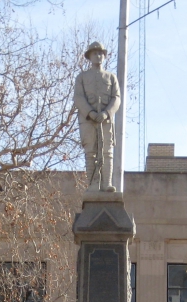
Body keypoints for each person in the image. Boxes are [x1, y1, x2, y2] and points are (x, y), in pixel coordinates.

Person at [72, 41, 121, 192]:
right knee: (91, 152)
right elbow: (78, 97)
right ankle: (93, 184)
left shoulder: (111, 77)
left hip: (105, 120)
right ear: (89, 56)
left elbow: (116, 98)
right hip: (88, 120)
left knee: (107, 152)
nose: (98, 56)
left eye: (100, 53)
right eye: (95, 53)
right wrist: (90, 113)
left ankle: (106, 184)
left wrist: (106, 113)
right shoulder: (82, 77)